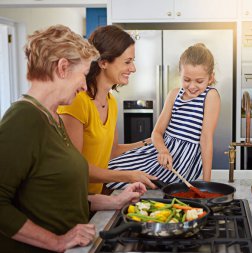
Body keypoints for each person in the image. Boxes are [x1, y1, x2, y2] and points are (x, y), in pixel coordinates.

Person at [0, 25, 146, 253]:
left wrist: (113, 201)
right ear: (62, 68)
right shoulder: (23, 118)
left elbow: (58, 195)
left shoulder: (52, 119)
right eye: (83, 74)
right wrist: (56, 241)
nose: (83, 85)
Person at [57, 25, 157, 195]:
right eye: (127, 62)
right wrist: (128, 176)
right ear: (103, 62)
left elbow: (112, 152)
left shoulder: (111, 102)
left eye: (133, 61)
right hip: (68, 201)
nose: (133, 68)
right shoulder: (76, 101)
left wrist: (151, 142)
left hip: (92, 199)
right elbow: (74, 168)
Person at [106, 43, 221, 190]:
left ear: (210, 77)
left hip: (181, 163)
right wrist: (163, 151)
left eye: (199, 81)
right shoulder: (174, 94)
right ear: (180, 74)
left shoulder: (210, 96)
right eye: (186, 80)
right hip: (161, 155)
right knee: (113, 171)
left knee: (147, 185)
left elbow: (206, 139)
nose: (192, 86)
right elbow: (157, 133)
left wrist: (207, 184)